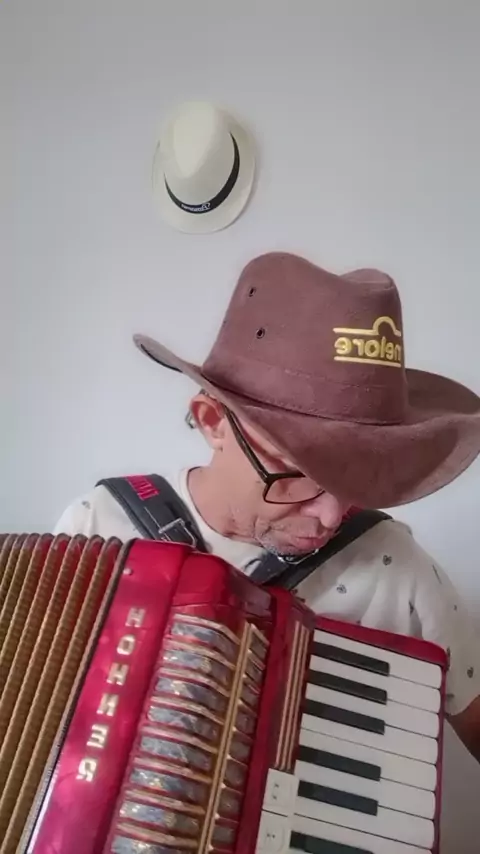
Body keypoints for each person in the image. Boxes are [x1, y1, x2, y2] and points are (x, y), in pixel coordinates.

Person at [55, 251, 480, 760]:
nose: (330, 516)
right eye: (299, 474)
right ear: (212, 421)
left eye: (356, 481)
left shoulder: (396, 571)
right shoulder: (97, 528)